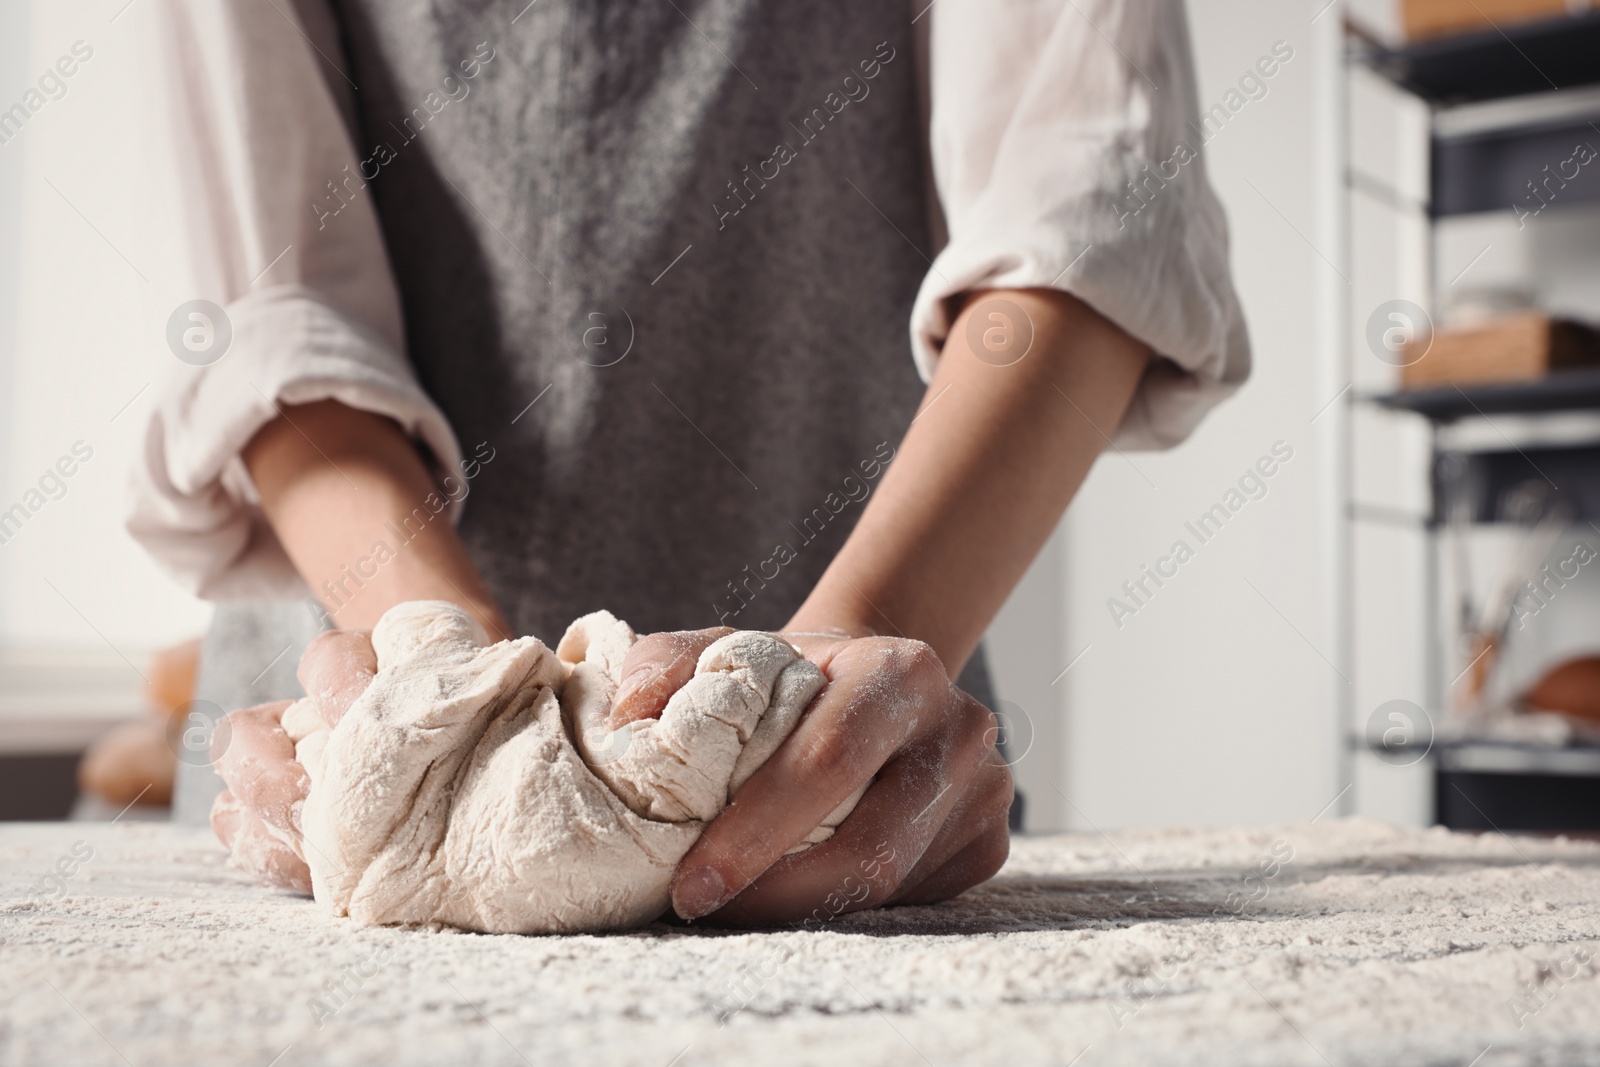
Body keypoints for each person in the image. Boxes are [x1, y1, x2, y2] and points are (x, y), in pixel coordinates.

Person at [128, 0, 1248, 924]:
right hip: (347, 694)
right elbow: (275, 309)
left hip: (869, 756)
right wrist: (429, 679)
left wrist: (844, 650)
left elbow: (1096, 200)